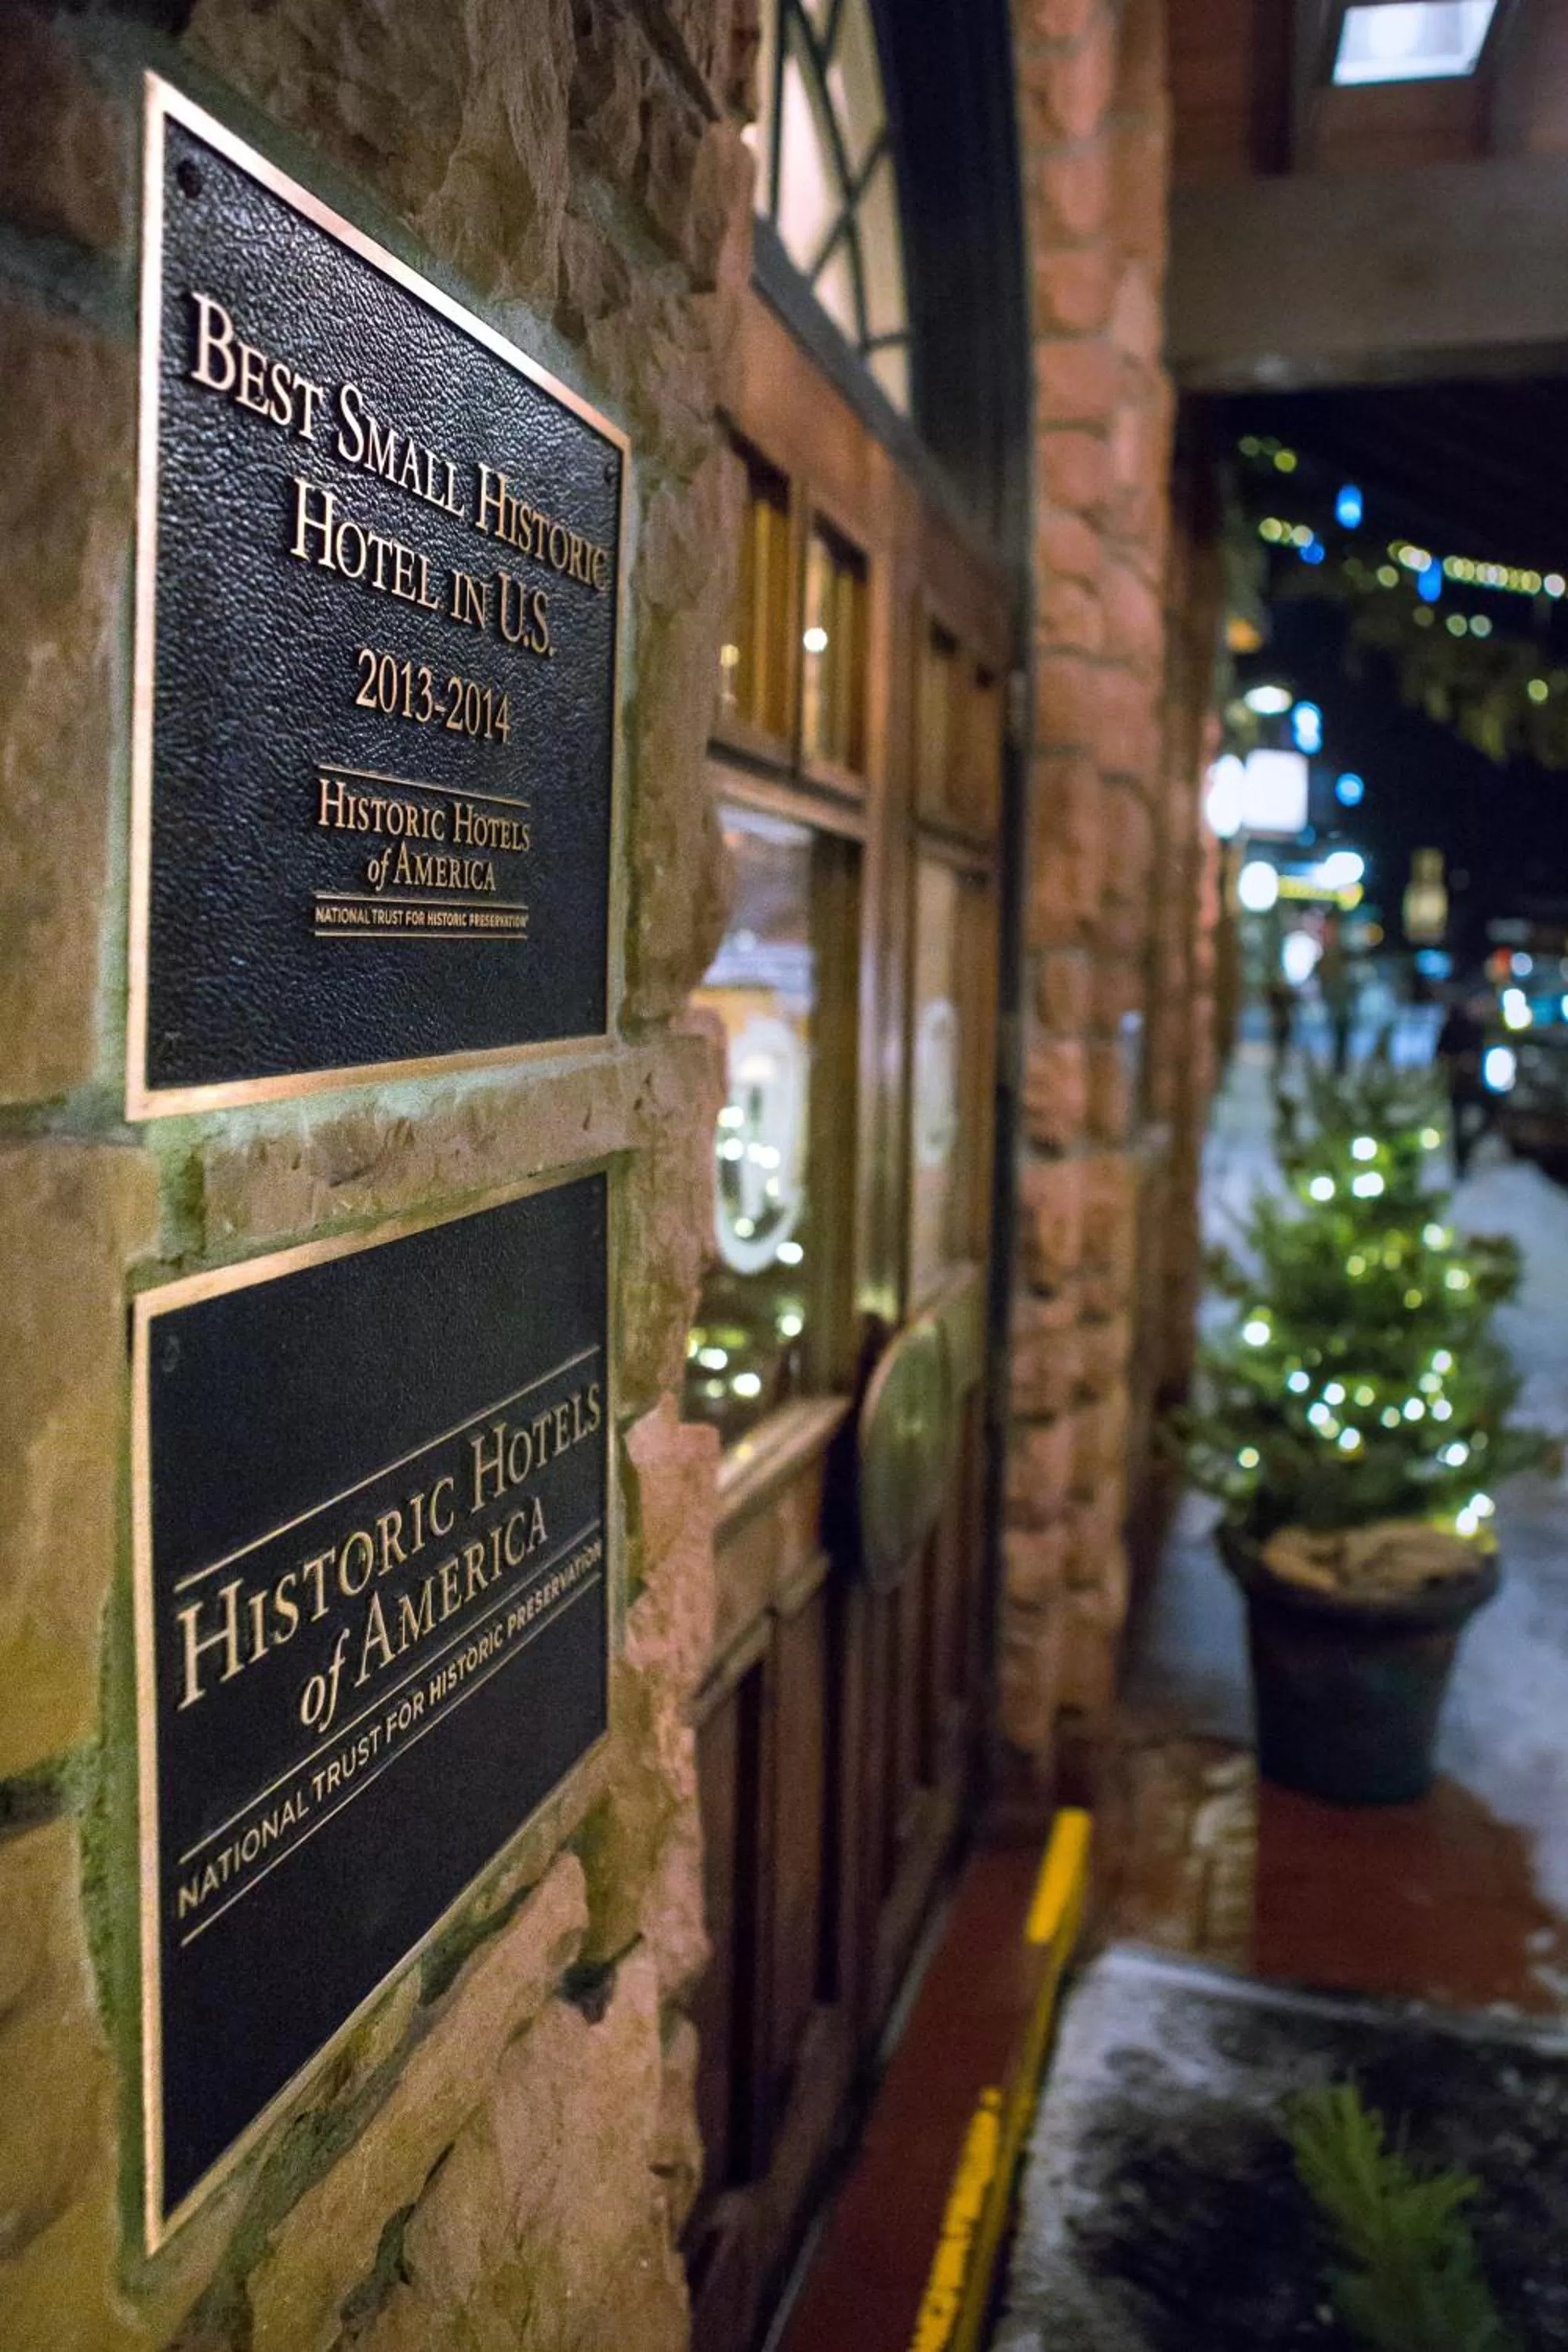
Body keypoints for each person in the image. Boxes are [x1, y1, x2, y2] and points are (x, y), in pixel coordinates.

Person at [1434, 980, 1494, 1179]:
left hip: (1479, 1084)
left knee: (1486, 1117)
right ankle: (1460, 1163)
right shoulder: (1453, 1026)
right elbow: (1440, 1054)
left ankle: (1465, 1156)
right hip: (1458, 1084)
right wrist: (1459, 1062)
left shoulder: (1481, 1027)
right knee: (1459, 1125)